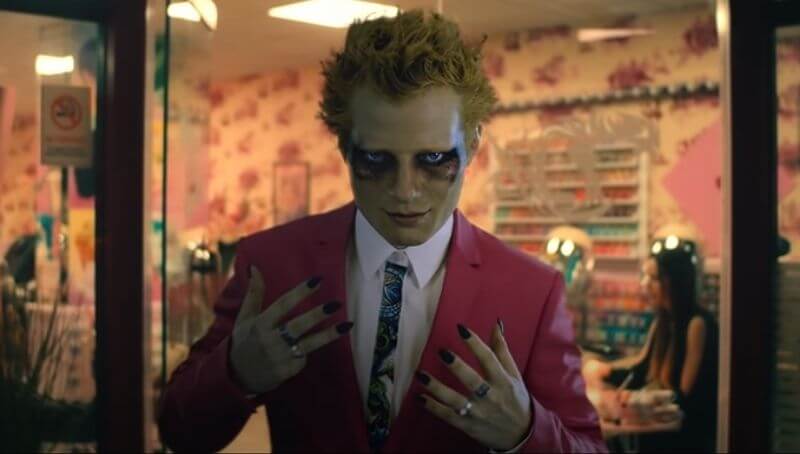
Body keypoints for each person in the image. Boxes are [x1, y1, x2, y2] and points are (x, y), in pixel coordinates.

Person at [158, 10, 604, 453]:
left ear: (472, 144)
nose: (405, 190)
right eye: (376, 160)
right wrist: (235, 373)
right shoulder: (272, 266)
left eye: (434, 160)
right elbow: (178, 431)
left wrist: (525, 432)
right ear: (344, 147)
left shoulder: (532, 292)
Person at [584, 237, 719, 452]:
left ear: (674, 282)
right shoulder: (662, 323)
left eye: (654, 278)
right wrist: (605, 371)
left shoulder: (697, 324)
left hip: (686, 439)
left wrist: (640, 399)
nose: (645, 284)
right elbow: (642, 371)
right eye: (644, 276)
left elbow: (685, 397)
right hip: (662, 431)